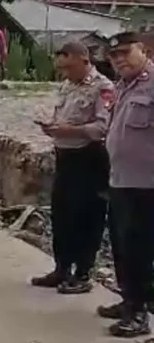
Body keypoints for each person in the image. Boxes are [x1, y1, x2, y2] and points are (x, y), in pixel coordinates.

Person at [28, 42, 111, 295]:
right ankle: (62, 268)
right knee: (61, 213)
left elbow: (102, 127)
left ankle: (83, 273)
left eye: (69, 67)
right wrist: (51, 125)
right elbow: (63, 117)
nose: (65, 72)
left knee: (87, 216)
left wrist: (67, 131)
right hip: (65, 157)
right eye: (62, 68)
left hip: (89, 158)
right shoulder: (66, 86)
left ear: (84, 60)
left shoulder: (103, 87)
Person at [98, 31, 154, 338]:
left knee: (140, 251)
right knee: (121, 247)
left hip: (147, 185)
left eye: (124, 53)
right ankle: (128, 300)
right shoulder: (122, 87)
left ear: (143, 50)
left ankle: (139, 313)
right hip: (120, 180)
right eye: (113, 55)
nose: (119, 59)